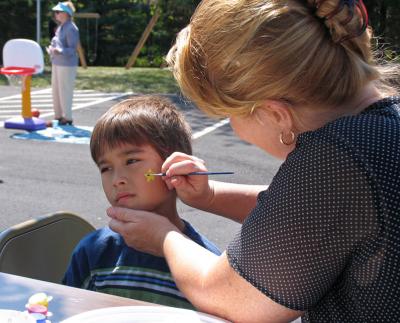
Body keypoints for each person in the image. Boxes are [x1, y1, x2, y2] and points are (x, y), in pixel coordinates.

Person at [105, 0, 400, 322]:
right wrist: (210, 196)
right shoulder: (379, 131)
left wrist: (163, 236)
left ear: (275, 114)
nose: (234, 127)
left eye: (229, 114)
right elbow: (314, 218)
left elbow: (228, 295)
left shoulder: (337, 158)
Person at [62, 96, 220, 309]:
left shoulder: (206, 265)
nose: (117, 179)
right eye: (105, 168)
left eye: (131, 161)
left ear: (174, 164)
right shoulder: (93, 252)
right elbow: (67, 311)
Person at [47, 1, 79, 126]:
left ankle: (68, 117)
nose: (56, 14)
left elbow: (72, 49)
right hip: (57, 63)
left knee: (65, 90)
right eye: (55, 12)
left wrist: (58, 50)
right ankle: (59, 116)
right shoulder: (61, 27)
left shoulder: (71, 28)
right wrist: (52, 48)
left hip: (67, 64)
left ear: (66, 13)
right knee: (56, 89)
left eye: (58, 12)